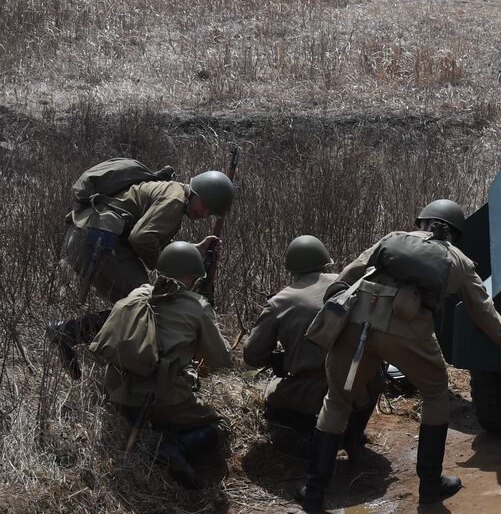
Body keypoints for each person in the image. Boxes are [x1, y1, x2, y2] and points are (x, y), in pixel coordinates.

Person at [299, 199, 501, 511]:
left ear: (422, 223)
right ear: (454, 234)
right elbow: (489, 321)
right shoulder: (458, 261)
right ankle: (430, 485)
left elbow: (344, 279)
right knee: (435, 395)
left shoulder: (391, 239)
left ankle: (314, 490)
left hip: (357, 323)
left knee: (337, 401)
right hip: (408, 331)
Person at [49, 163, 235, 379]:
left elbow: (150, 235)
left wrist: (192, 251)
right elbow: (142, 238)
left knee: (140, 304)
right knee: (146, 305)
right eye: (205, 205)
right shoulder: (174, 201)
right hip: (95, 244)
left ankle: (77, 336)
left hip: (89, 238)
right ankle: (70, 333)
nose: (204, 214)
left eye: (210, 212)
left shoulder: (173, 193)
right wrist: (171, 269)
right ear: (197, 191)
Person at [91, 241, 234, 489]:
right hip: (163, 397)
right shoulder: (196, 305)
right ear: (191, 276)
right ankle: (175, 448)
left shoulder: (135, 295)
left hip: (118, 395)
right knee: (220, 426)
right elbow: (222, 360)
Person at [243, 235, 380, 456]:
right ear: (325, 261)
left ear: (291, 268)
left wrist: (284, 357)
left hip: (310, 397)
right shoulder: (349, 285)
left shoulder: (280, 301)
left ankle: (311, 438)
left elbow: (251, 356)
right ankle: (353, 433)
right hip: (357, 389)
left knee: (270, 392)